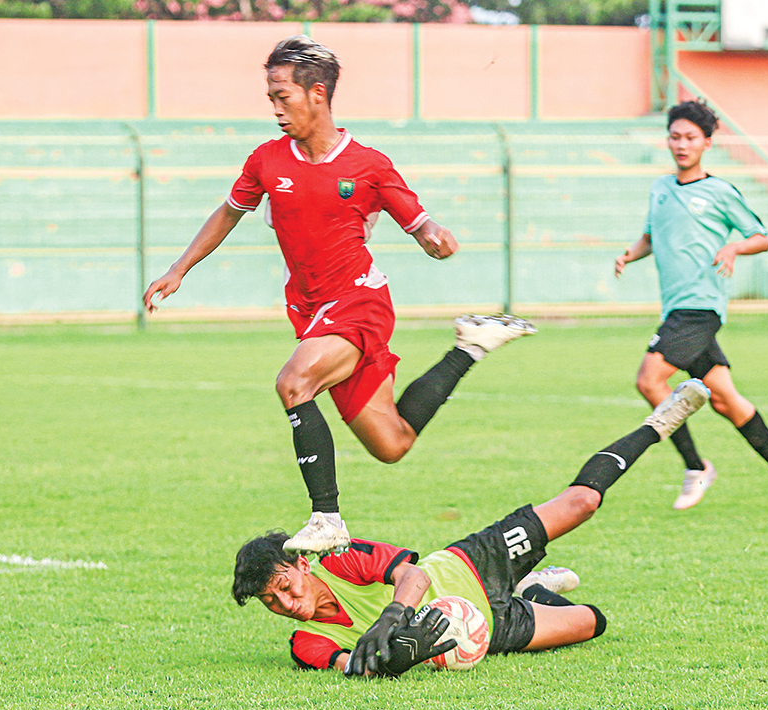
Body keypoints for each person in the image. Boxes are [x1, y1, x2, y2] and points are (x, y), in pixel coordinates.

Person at [142, 35, 535, 555]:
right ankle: (470, 346)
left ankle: (326, 517)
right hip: (309, 311)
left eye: (283, 96)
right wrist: (179, 268)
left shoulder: (369, 165)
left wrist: (434, 238)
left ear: (318, 94)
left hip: (358, 302)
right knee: (391, 443)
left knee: (293, 382)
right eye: (270, 98)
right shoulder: (266, 160)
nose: (275, 108)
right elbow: (229, 213)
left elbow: (420, 223)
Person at [232, 379, 712, 676]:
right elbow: (351, 666)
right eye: (270, 602)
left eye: (283, 587)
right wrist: (395, 661)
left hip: (473, 564)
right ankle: (534, 591)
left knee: (582, 501)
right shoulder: (305, 643)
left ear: (300, 561)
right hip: (490, 628)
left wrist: (393, 618)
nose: (286, 604)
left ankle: (659, 422)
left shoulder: (337, 556)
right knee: (592, 623)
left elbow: (413, 575)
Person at [613, 100, 768, 516]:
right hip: (677, 308)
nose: (681, 145)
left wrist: (734, 245)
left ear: (706, 142)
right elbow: (651, 236)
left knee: (650, 381)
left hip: (701, 308)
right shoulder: (660, 189)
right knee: (725, 399)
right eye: (675, 137)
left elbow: (761, 236)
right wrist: (630, 255)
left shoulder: (720, 191)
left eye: (690, 138)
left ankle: (695, 466)